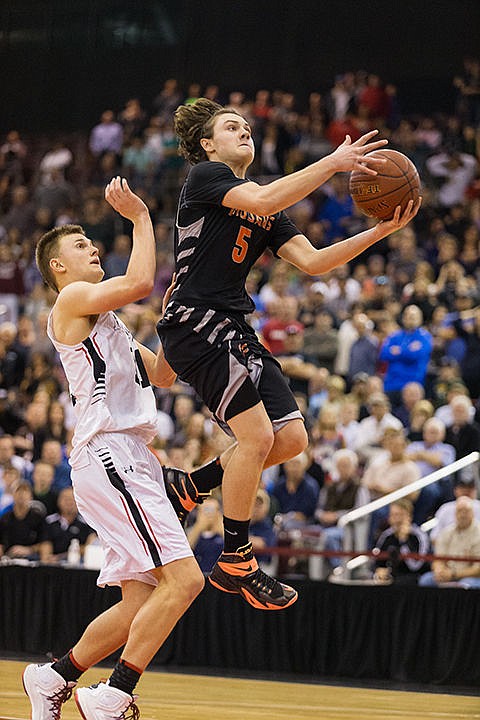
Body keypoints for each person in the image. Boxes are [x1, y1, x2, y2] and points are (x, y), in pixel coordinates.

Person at [157, 98, 419, 611]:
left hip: (232, 325)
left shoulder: (265, 204)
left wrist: (381, 231)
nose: (244, 131)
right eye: (231, 126)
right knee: (255, 437)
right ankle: (237, 557)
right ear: (208, 144)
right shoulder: (206, 177)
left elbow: (315, 262)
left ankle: (192, 485)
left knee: (291, 438)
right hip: (195, 321)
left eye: (248, 126)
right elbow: (266, 198)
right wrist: (333, 162)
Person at [23, 178, 205, 720]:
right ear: (58, 268)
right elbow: (142, 278)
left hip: (127, 458)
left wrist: (175, 322)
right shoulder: (72, 300)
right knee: (186, 579)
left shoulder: (113, 322)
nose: (92, 248)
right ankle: (114, 693)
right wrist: (142, 219)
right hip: (109, 453)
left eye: (90, 242)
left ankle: (54, 677)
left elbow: (166, 376)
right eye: (80, 246)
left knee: (138, 603)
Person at [419, 496, 480, 588]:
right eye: (460, 511)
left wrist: (453, 574)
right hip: (448, 573)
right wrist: (439, 571)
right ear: (455, 514)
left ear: (472, 513)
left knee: (464, 585)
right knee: (425, 580)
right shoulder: (446, 532)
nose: (463, 515)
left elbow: (477, 569)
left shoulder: (478, 533)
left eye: (466, 511)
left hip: (470, 576)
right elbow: (438, 559)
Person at [373, 498, 430, 585]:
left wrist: (404, 540)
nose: (396, 519)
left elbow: (415, 566)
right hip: (391, 577)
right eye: (392, 515)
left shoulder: (419, 536)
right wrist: (380, 571)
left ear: (409, 517)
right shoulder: (386, 536)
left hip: (413, 578)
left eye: (399, 515)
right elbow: (379, 562)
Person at [42, 487, 97, 562]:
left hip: (78, 564)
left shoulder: (87, 523)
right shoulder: (50, 521)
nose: (69, 502)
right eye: (65, 498)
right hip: (53, 564)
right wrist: (47, 559)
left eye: (72, 499)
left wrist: (63, 556)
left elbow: (90, 547)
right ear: (59, 501)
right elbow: (45, 543)